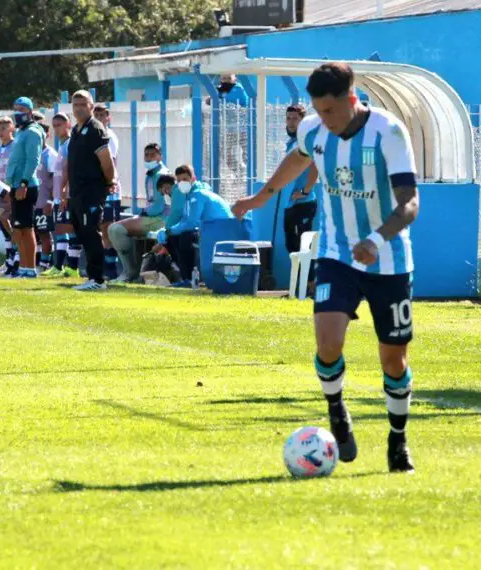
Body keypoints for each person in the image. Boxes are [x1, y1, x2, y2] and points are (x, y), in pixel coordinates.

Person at [232, 62, 419, 473]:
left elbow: (409, 202)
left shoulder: (387, 132)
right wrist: (261, 197)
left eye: (331, 110)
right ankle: (337, 410)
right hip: (337, 254)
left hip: (388, 259)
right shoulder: (314, 130)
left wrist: (377, 238)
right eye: (318, 110)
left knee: (393, 360)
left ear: (351, 100)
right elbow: (297, 160)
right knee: (328, 343)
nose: (325, 119)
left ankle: (397, 440)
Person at [65, 90, 117, 291]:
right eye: (75, 104)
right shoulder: (76, 130)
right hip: (78, 192)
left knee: (91, 232)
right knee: (82, 231)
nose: (78, 108)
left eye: (82, 104)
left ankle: (98, 279)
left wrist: (108, 182)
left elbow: (106, 159)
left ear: (91, 107)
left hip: (91, 190)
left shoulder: (95, 129)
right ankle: (91, 276)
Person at [155, 165, 232, 284]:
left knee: (185, 237)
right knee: (175, 237)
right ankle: (186, 278)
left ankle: (190, 279)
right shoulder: (191, 196)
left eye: (185, 179)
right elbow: (186, 220)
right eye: (179, 180)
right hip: (214, 231)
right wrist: (168, 231)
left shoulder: (197, 195)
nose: (182, 183)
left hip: (221, 232)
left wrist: (169, 231)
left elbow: (191, 223)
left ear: (193, 179)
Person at [107, 143, 170, 282]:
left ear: (160, 156)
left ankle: (130, 273)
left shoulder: (161, 175)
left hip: (161, 219)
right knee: (114, 228)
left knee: (116, 229)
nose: (148, 158)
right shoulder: (152, 174)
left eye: (153, 155)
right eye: (146, 155)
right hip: (155, 217)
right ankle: (133, 272)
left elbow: (158, 207)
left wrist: (142, 213)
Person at [5, 96, 44, 278]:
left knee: (27, 228)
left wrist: (23, 183)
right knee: (18, 229)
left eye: (21, 109)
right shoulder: (21, 132)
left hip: (26, 186)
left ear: (29, 111)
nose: (17, 113)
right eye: (15, 108)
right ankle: (23, 267)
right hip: (15, 185)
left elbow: (33, 160)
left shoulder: (33, 132)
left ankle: (30, 268)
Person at [283, 104, 319, 254]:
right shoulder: (292, 142)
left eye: (295, 119)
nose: (291, 122)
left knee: (305, 248)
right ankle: (297, 278)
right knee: (292, 247)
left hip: (304, 202)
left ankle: (309, 278)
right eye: (288, 118)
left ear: (303, 121)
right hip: (291, 202)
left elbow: (314, 166)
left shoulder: (306, 141)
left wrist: (305, 191)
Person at [42, 113, 75, 277]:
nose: (57, 128)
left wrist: (64, 194)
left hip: (66, 196)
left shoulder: (70, 144)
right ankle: (61, 266)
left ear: (68, 124)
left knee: (66, 229)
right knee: (60, 230)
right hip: (57, 196)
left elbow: (69, 171)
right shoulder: (62, 145)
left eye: (60, 124)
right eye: (54, 125)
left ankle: (66, 267)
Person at [93, 103, 122, 280]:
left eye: (102, 115)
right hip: (97, 187)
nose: (98, 117)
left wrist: (108, 182)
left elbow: (108, 162)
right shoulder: (93, 134)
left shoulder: (108, 136)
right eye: (96, 114)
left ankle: (111, 267)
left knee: (108, 227)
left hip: (109, 187)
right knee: (99, 226)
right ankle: (103, 265)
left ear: (107, 117)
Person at [0, 116, 16, 274]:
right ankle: (8, 260)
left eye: (4, 129)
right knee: (4, 228)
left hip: (11, 193)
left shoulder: (16, 147)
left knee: (14, 227)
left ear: (11, 128)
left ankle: (16, 260)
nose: (1, 132)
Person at [34, 121, 58, 271]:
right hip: (33, 202)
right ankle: (37, 262)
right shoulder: (32, 153)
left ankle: (45, 264)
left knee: (44, 234)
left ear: (47, 135)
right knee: (35, 233)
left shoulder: (50, 155)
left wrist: (50, 200)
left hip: (44, 203)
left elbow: (56, 180)